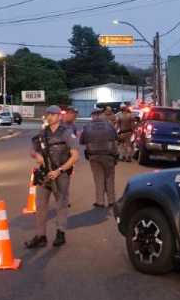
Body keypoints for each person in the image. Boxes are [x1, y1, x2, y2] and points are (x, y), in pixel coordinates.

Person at [25, 105, 79, 248]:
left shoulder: (66, 133)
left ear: (59, 116)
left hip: (61, 173)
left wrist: (59, 170)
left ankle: (60, 233)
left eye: (53, 115)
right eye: (48, 114)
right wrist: (37, 156)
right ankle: (40, 236)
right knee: (41, 205)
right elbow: (32, 150)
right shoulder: (42, 134)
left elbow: (75, 156)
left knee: (61, 203)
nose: (49, 117)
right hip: (45, 173)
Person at [79, 108, 118, 208]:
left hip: (94, 156)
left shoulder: (87, 127)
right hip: (108, 155)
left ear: (92, 116)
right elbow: (116, 137)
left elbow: (81, 141)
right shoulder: (109, 125)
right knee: (110, 178)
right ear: (101, 115)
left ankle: (100, 201)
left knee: (98, 178)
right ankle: (111, 200)